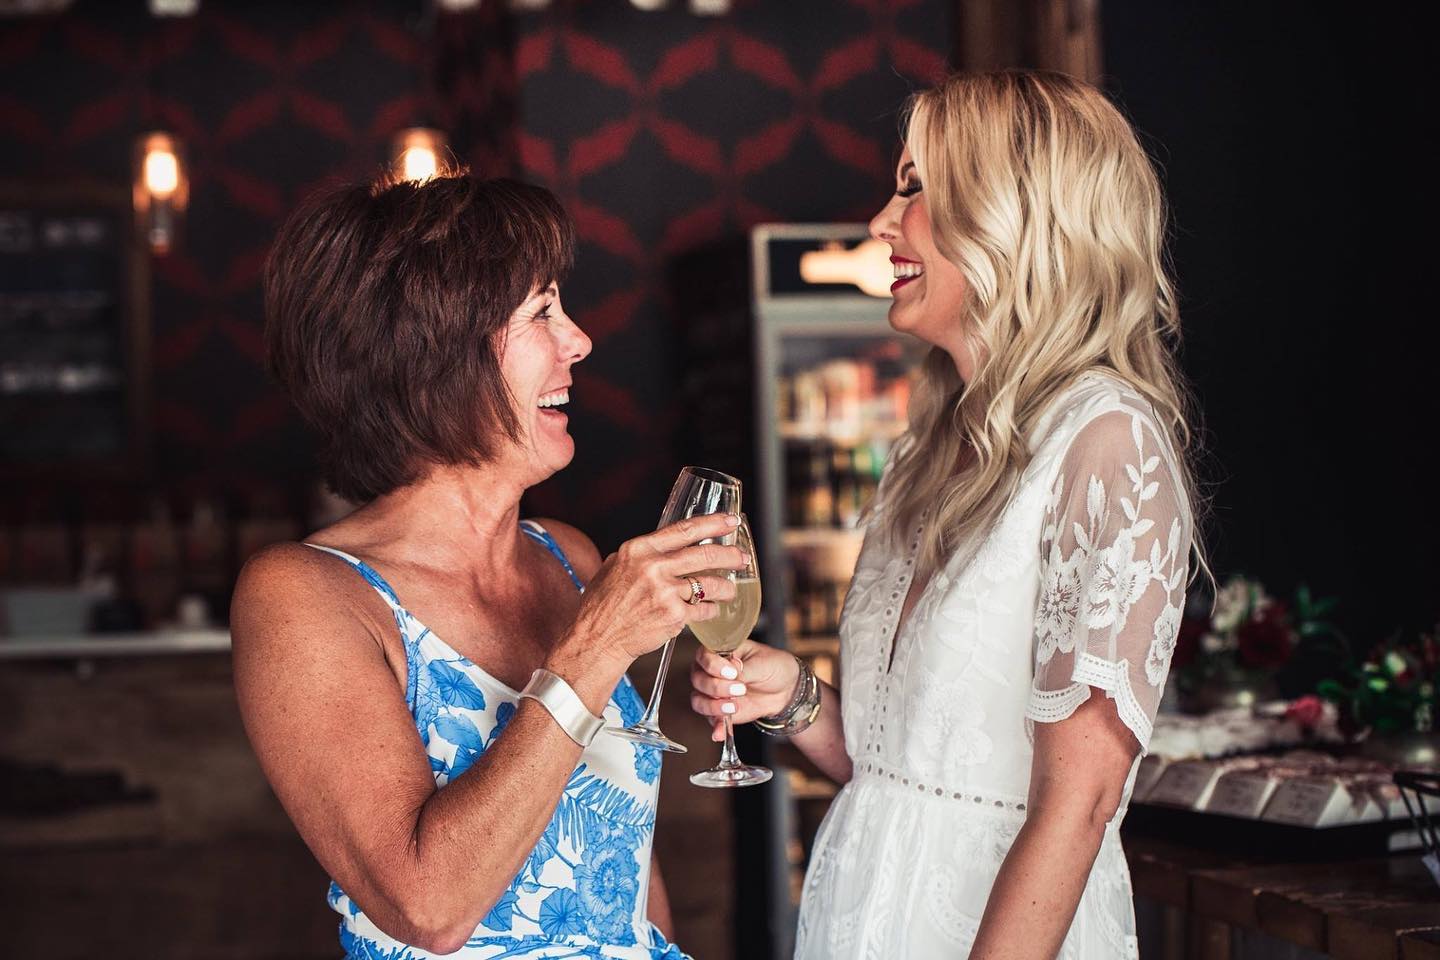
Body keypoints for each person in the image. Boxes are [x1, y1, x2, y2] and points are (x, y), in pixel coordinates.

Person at [691, 70, 1203, 958]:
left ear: (1016, 215)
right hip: (864, 918)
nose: (882, 224)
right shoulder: (926, 449)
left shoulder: (1106, 441)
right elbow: (912, 777)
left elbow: (1075, 807)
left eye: (916, 189)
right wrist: (799, 700)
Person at [232, 172, 743, 960]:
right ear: (431, 354)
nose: (579, 340)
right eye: (541, 311)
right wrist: (596, 649)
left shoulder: (567, 556)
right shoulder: (305, 595)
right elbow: (428, 906)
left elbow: (626, 866)